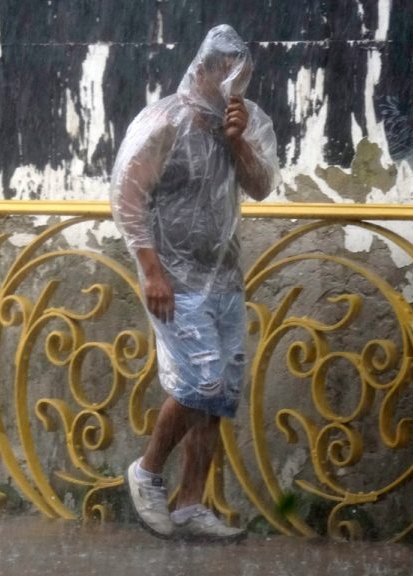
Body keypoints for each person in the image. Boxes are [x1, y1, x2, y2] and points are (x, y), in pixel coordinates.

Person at [110, 25, 280, 540]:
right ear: (202, 69)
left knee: (219, 395)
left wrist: (238, 141)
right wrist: (151, 272)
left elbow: (262, 187)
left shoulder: (244, 122)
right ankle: (146, 472)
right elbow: (127, 196)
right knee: (201, 382)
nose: (232, 87)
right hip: (175, 282)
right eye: (225, 75)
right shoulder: (165, 121)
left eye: (241, 79)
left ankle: (190, 504)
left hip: (224, 278)